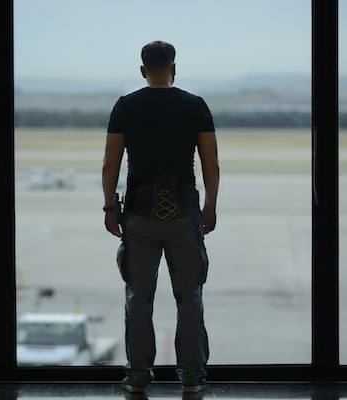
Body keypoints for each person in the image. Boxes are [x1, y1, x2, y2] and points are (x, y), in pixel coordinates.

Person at [101, 40, 220, 394]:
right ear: (174, 68)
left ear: (142, 70)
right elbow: (211, 164)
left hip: (138, 214)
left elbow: (111, 164)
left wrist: (110, 207)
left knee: (139, 298)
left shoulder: (126, 107)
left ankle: (138, 374)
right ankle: (192, 376)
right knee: (190, 297)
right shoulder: (195, 106)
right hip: (184, 213)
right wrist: (210, 206)